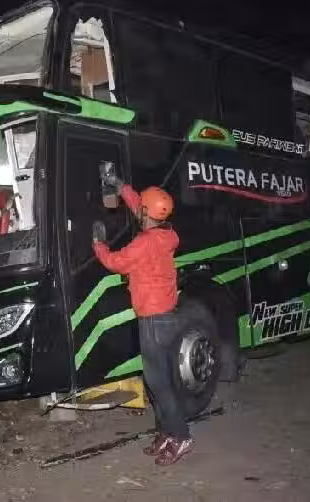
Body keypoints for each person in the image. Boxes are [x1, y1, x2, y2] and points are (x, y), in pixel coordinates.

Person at [91, 176, 193, 466]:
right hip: (164, 316)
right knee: (157, 381)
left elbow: (115, 262)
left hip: (154, 319)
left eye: (142, 210)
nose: (139, 211)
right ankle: (167, 433)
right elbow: (141, 206)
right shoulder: (166, 233)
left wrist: (98, 244)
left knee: (159, 383)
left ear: (148, 213)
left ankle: (181, 436)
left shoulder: (146, 242)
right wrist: (122, 187)